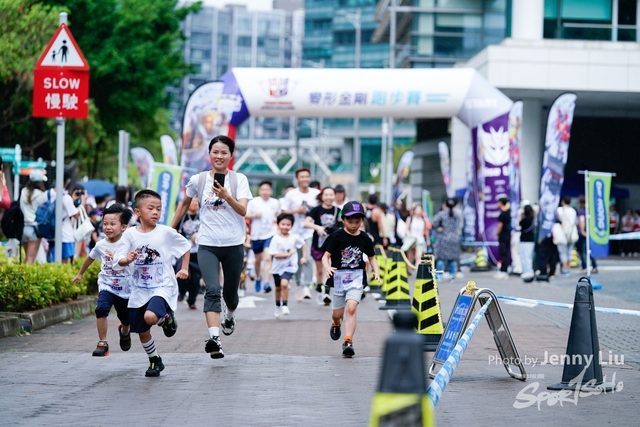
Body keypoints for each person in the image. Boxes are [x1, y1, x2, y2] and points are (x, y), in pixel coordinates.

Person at [171, 135, 252, 359]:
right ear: (209, 154)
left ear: (231, 155)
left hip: (233, 244)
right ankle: (215, 339)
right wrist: (170, 230)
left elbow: (243, 210)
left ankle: (230, 316)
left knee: (230, 296)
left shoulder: (239, 180)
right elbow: (184, 204)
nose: (219, 156)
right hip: (207, 244)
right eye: (215, 151)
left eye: (224, 152)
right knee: (213, 289)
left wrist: (226, 195)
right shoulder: (198, 180)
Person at [116, 190, 191, 377]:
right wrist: (127, 259)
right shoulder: (129, 235)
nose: (155, 212)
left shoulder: (166, 232)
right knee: (142, 331)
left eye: (159, 208)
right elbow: (119, 258)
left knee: (150, 317)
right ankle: (155, 360)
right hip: (139, 289)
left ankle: (166, 318)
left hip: (162, 286)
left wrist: (184, 268)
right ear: (138, 212)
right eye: (150, 208)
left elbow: (185, 246)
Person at [72, 205, 134, 357]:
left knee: (126, 319)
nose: (108, 227)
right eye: (105, 223)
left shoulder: (129, 244)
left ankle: (124, 331)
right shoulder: (100, 245)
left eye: (113, 224)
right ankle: (103, 343)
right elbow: (90, 258)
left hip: (125, 288)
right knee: (101, 309)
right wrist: (80, 274)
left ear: (123, 226)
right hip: (107, 284)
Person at [322, 201, 380, 357]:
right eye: (350, 221)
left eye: (357, 221)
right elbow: (325, 256)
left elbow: (372, 257)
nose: (354, 225)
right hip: (339, 279)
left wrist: (376, 272)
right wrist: (327, 267)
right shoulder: (336, 236)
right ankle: (336, 324)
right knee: (337, 314)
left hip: (356, 278)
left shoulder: (365, 238)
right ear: (343, 220)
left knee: (352, 307)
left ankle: (348, 341)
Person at [281, 168, 320, 299]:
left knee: (307, 258)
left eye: (307, 176)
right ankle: (298, 284)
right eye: (302, 177)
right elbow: (283, 211)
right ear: (297, 179)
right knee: (296, 260)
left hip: (310, 231)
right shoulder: (291, 194)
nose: (305, 179)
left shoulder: (316, 194)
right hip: (294, 232)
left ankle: (307, 287)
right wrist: (296, 211)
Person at [305, 186, 341, 304]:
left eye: (331, 195)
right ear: (322, 196)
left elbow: (344, 224)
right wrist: (317, 227)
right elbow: (306, 223)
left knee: (329, 268)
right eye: (326, 195)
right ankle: (320, 289)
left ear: (334, 196)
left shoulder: (338, 210)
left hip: (332, 245)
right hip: (318, 244)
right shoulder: (316, 210)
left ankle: (327, 293)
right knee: (320, 271)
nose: (329, 197)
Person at [269, 213, 306, 317]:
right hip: (277, 267)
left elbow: (303, 244)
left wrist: (304, 257)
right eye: (283, 224)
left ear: (292, 225)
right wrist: (288, 254)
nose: (285, 227)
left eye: (288, 225)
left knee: (284, 284)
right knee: (278, 288)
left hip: (289, 266)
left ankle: (285, 305)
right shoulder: (275, 239)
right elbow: (275, 255)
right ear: (278, 224)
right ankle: (277, 305)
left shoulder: (294, 237)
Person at [246, 180, 280, 293]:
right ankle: (258, 277)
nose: (265, 192)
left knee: (267, 258)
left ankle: (266, 283)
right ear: (259, 191)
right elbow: (245, 214)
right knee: (258, 261)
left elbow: (279, 214)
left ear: (271, 191)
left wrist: (276, 218)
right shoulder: (253, 202)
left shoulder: (275, 202)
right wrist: (254, 215)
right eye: (263, 189)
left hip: (270, 234)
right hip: (256, 235)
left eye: (267, 190)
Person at [174, 198, 202, 309]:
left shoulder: (202, 217)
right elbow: (174, 231)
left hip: (198, 252)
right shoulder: (182, 217)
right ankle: (182, 291)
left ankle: (192, 300)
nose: (194, 204)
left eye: (196, 202)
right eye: (192, 201)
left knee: (195, 279)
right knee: (180, 271)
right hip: (183, 252)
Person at [47, 173, 80, 264]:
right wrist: (79, 202)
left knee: (52, 262)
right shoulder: (66, 198)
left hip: (51, 234)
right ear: (66, 182)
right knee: (63, 264)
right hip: (65, 235)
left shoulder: (48, 194)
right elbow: (76, 214)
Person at [20, 170, 48, 264]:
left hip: (24, 227)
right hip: (35, 229)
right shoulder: (42, 195)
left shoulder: (23, 192)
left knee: (27, 258)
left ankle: (22, 273)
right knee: (30, 259)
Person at [432, 198, 462, 281]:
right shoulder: (457, 214)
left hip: (443, 239)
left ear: (445, 205)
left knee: (441, 259)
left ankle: (439, 276)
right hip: (454, 239)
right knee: (452, 259)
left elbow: (434, 223)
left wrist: (439, 228)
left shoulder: (441, 214)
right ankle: (452, 276)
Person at [401, 204, 431, 269]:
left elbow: (426, 231)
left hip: (420, 239)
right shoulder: (410, 218)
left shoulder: (423, 219)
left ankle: (417, 271)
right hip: (411, 240)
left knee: (418, 256)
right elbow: (406, 229)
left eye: (420, 209)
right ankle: (409, 271)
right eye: (417, 209)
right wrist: (409, 235)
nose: (419, 211)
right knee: (410, 257)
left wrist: (428, 240)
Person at [556, 196, 578, 274]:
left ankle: (565, 268)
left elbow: (557, 219)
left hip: (561, 232)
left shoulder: (559, 210)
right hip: (571, 233)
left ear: (563, 202)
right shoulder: (573, 211)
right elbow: (575, 222)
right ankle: (568, 268)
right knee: (569, 251)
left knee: (563, 251)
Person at [576, 195, 598, 273]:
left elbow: (581, 220)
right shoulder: (589, 211)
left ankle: (584, 266)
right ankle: (594, 265)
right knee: (590, 250)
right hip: (590, 232)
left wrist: (582, 231)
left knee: (583, 251)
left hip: (583, 233)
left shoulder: (581, 211)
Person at [494, 197, 512, 279]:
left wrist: (497, 233)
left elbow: (500, 225)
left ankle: (503, 270)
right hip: (508, 235)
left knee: (503, 253)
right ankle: (504, 269)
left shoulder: (503, 213)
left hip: (503, 235)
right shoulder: (509, 212)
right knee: (505, 253)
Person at [519, 204, 536, 280]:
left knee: (525, 257)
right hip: (530, 240)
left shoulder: (526, 219)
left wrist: (521, 216)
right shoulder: (532, 219)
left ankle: (528, 271)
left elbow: (520, 223)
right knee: (527, 256)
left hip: (525, 240)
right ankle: (527, 271)